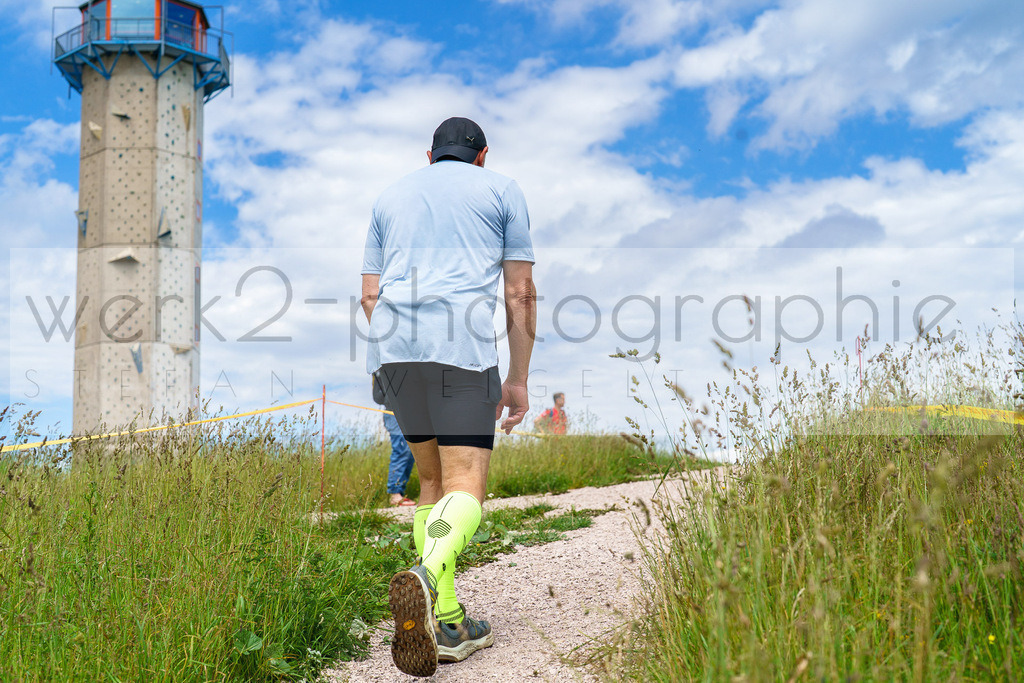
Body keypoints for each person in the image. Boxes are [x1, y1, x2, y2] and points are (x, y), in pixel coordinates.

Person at [360, 116, 536, 677]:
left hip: (393, 353)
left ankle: (452, 622)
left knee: (431, 483)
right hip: (459, 349)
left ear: (430, 154)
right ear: (481, 156)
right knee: (467, 487)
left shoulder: (390, 196)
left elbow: (369, 294)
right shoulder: (501, 189)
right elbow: (520, 291)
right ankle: (426, 574)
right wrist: (518, 378)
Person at [372, 376, 416, 506]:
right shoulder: (380, 368)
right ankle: (395, 494)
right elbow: (377, 397)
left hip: (411, 411)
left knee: (412, 451)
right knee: (403, 450)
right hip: (394, 412)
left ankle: (399, 493)